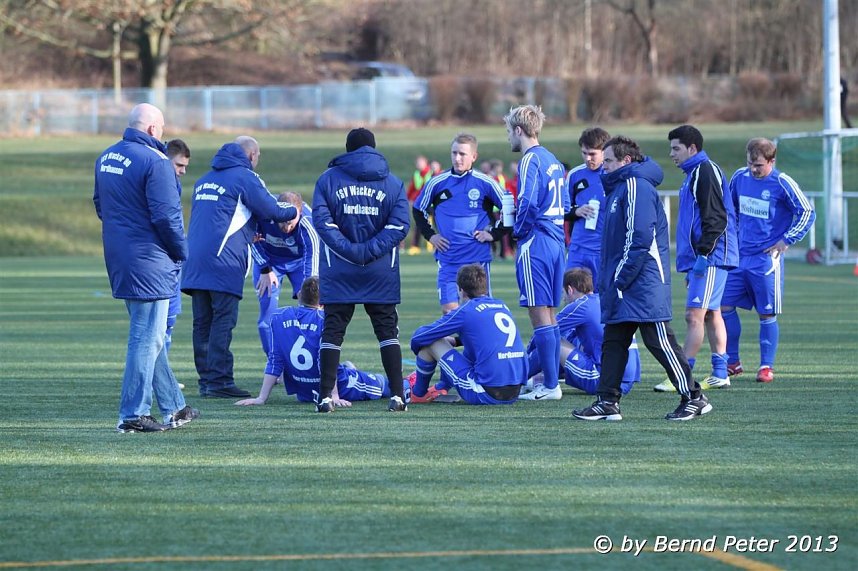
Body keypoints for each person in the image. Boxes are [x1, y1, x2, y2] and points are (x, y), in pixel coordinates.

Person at [572, 135, 712, 421]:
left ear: (625, 161)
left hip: (641, 282)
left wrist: (620, 278)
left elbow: (639, 238)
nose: (603, 166)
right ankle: (607, 401)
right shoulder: (619, 188)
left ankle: (694, 397)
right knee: (613, 341)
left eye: (608, 160)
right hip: (623, 283)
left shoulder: (635, 185)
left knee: (659, 341)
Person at [93, 103, 199, 432]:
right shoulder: (156, 161)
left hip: (120, 256)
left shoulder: (106, 157)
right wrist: (181, 252)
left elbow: (100, 205)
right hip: (150, 260)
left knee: (150, 335)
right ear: (153, 130)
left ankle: (175, 407)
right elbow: (167, 217)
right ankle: (133, 414)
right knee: (145, 337)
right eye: (162, 129)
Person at [181, 136, 297, 399]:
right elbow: (271, 209)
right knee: (223, 321)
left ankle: (206, 381)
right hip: (223, 262)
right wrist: (294, 211)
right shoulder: (245, 177)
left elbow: (221, 216)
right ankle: (220, 381)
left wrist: (249, 230)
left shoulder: (204, 180)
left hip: (195, 262)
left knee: (202, 324)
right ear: (252, 155)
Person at [311, 127, 411, 413]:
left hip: (340, 268)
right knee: (387, 331)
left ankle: (325, 397)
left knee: (332, 332)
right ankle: (397, 395)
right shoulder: (392, 182)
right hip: (380, 270)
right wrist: (370, 251)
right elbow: (400, 225)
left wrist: (349, 250)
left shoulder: (327, 180)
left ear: (347, 150)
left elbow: (322, 221)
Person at [721, 137, 815, 383]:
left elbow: (806, 211)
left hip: (766, 260)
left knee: (766, 313)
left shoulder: (782, 182)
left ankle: (765, 367)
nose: (754, 169)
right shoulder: (739, 178)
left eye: (759, 165)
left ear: (772, 161)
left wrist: (787, 239)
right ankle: (733, 362)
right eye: (751, 163)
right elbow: (730, 212)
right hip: (739, 257)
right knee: (723, 307)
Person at [653, 125, 739, 393]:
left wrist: (703, 253)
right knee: (712, 314)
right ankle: (719, 372)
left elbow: (716, 217)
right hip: (703, 256)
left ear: (692, 148)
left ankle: (682, 374)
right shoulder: (692, 174)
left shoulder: (705, 171)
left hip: (711, 255)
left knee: (694, 315)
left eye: (676, 148)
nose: (671, 154)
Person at [234, 277, 398, 408]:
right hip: (339, 384)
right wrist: (333, 395)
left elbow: (275, 359)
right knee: (385, 384)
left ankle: (348, 367)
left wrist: (261, 398)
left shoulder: (278, 317)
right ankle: (413, 383)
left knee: (340, 365)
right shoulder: (325, 320)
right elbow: (324, 361)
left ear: (299, 295)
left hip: (305, 393)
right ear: (324, 302)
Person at [504, 105, 569, 402]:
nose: (508, 138)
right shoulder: (553, 160)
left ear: (519, 130)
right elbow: (565, 205)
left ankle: (550, 385)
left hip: (537, 242)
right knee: (550, 315)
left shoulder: (530, 160)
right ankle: (549, 381)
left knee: (539, 313)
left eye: (509, 132)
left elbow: (528, 201)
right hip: (556, 241)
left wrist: (517, 229)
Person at [412, 132, 507, 314]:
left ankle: (475, 343)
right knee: (449, 313)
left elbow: (510, 209)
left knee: (480, 311)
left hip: (476, 259)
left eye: (462, 154)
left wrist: (494, 234)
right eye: (454, 153)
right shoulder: (437, 182)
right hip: (448, 257)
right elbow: (418, 209)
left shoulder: (485, 183)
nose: (457, 158)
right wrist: (431, 236)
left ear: (474, 156)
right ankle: (457, 342)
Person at [409, 263, 526, 405]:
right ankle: (441, 388)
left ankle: (418, 394)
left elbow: (419, 336)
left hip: (486, 393)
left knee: (432, 342)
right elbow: (486, 337)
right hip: (514, 393)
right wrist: (456, 341)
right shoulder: (501, 305)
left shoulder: (466, 311)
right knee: (471, 349)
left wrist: (422, 351)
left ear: (460, 290)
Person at [523, 268, 640, 396]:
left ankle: (519, 377)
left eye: (563, 293)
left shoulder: (581, 305)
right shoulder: (605, 300)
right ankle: (540, 378)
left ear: (570, 289)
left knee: (551, 340)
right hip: (625, 382)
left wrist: (525, 359)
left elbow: (545, 332)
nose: (563, 298)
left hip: (603, 382)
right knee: (571, 338)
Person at [250, 190, 320, 354]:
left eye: (291, 223)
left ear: (300, 213)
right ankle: (274, 364)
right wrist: (265, 269)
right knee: (267, 318)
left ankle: (309, 363)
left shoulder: (308, 223)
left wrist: (308, 286)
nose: (287, 227)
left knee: (311, 311)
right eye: (282, 222)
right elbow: (249, 237)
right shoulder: (263, 213)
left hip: (299, 264)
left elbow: (313, 256)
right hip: (270, 263)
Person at [564, 127, 611, 284]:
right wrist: (577, 211)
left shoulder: (614, 175)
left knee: (601, 301)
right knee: (571, 296)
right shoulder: (574, 175)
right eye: (584, 153)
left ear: (604, 151)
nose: (587, 158)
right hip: (577, 249)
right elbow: (561, 210)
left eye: (592, 154)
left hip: (604, 251)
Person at [164, 138, 191, 357]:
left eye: (185, 167)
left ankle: (161, 375)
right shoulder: (160, 183)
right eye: (179, 165)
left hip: (174, 259)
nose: (182, 171)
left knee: (169, 320)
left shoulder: (174, 184)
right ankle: (157, 377)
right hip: (163, 259)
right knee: (160, 323)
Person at [406, 155, 433, 254]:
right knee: (419, 224)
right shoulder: (417, 174)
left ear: (426, 162)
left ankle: (434, 245)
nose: (419, 164)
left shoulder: (431, 173)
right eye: (417, 163)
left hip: (432, 203)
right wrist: (409, 198)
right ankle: (415, 246)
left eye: (420, 162)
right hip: (420, 204)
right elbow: (412, 188)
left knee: (437, 224)